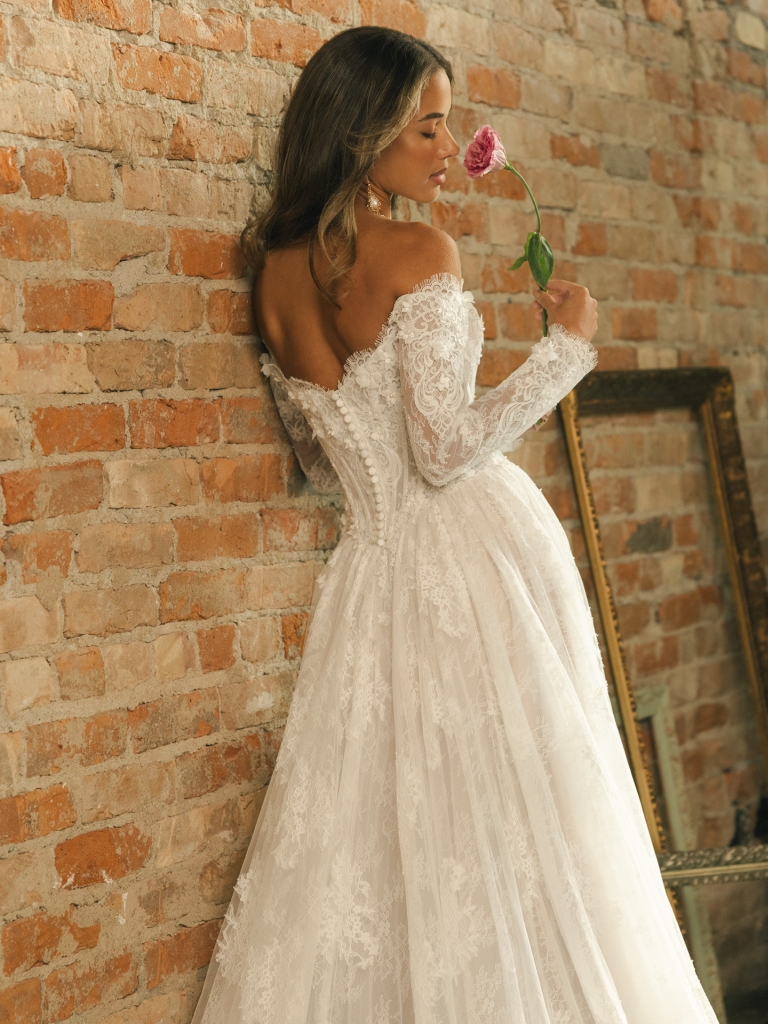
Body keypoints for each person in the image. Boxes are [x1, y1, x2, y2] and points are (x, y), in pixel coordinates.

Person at [190, 26, 719, 1024]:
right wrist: (567, 349)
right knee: (522, 822)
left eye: (448, 127)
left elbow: (320, 461)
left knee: (384, 839)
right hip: (470, 567)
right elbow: (442, 452)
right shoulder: (419, 251)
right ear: (363, 132)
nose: (448, 150)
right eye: (425, 128)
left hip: (369, 574)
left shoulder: (275, 274)